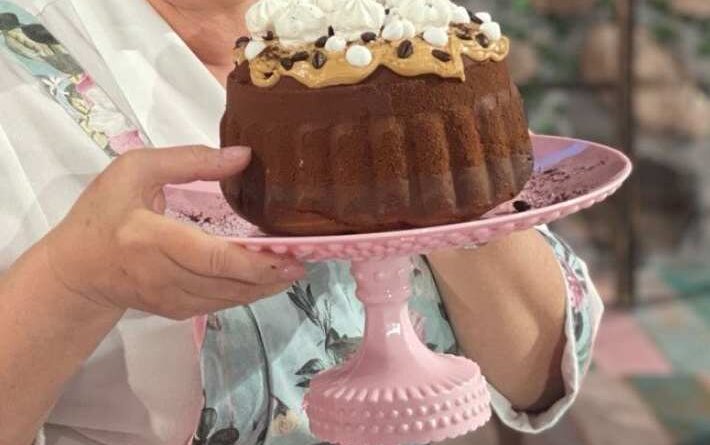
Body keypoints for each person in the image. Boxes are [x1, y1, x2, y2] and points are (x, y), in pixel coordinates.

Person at [0, 1, 604, 444]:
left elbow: (536, 369)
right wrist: (70, 283)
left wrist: (434, 163)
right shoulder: (21, 60)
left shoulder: (384, 25)